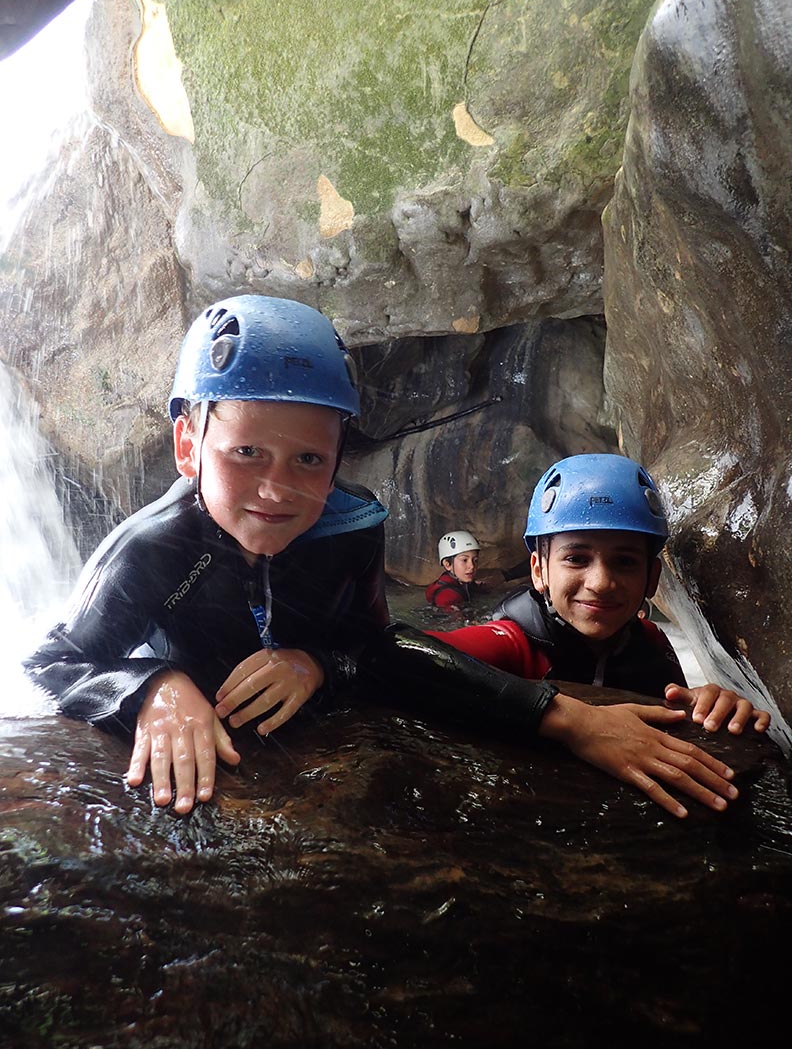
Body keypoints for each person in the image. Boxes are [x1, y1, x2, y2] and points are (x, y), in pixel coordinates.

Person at [24, 302, 745, 820]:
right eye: (246, 452)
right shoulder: (154, 548)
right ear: (188, 444)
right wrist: (153, 685)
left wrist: (315, 662)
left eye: (310, 459)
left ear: (339, 456)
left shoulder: (349, 529)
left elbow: (375, 649)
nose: (277, 488)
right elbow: (53, 660)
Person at [427, 453, 771, 737]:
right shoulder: (510, 643)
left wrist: (709, 705)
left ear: (652, 578)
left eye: (624, 561)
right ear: (538, 571)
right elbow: (388, 656)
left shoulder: (649, 643)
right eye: (576, 559)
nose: (601, 582)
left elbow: (676, 717)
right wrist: (562, 718)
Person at [425, 530, 483, 609]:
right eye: (464, 560)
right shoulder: (447, 596)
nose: (472, 566)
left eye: (475, 560)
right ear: (448, 564)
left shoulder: (460, 582)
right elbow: (455, 620)